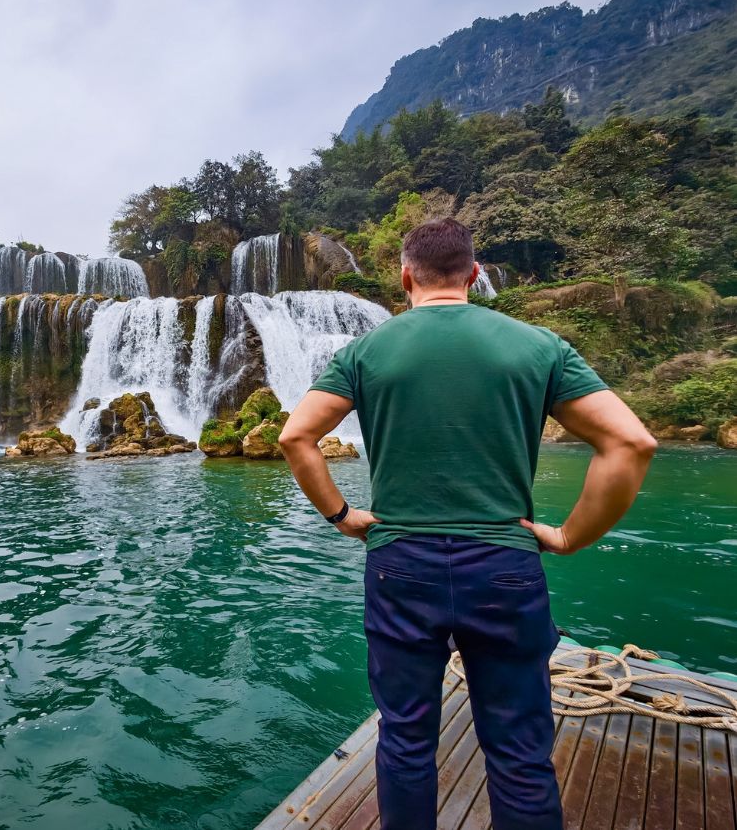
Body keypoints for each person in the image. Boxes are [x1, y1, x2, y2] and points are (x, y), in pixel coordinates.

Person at [278, 218, 656, 830]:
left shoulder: (365, 350)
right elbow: (631, 443)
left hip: (400, 565)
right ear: (475, 275)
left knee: (404, 741)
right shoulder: (539, 346)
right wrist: (568, 537)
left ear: (406, 277)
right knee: (520, 752)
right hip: (506, 565)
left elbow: (297, 436)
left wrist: (343, 516)